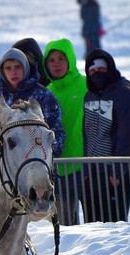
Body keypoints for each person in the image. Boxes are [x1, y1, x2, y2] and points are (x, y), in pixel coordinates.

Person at [82, 49, 130, 222]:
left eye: (101, 69)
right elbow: (86, 134)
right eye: (92, 71)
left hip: (116, 172)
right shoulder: (89, 95)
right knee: (92, 224)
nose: (96, 74)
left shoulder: (125, 93)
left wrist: (117, 171)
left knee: (114, 224)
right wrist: (86, 170)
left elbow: (128, 135)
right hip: (93, 169)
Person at [0, 47, 65, 160]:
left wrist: (45, 158)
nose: (13, 72)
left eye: (17, 67)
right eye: (8, 68)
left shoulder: (43, 95)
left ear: (25, 67)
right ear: (2, 71)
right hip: (6, 170)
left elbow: (55, 132)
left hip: (37, 164)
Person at [43, 38, 87, 225]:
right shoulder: (46, 92)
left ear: (70, 59)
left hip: (85, 166)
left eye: (61, 58)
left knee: (97, 225)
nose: (56, 64)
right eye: (51, 60)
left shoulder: (86, 85)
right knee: (66, 225)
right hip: (58, 169)